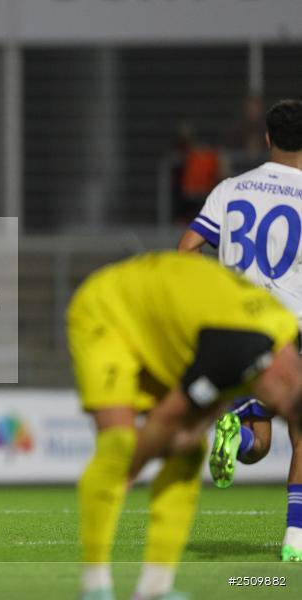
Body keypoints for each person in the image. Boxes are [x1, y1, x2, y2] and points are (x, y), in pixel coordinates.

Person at [70, 252, 302, 600]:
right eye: (281, 409)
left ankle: (154, 589)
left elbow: (214, 398)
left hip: (164, 327)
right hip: (108, 308)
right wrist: (130, 469)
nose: (274, 412)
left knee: (189, 454)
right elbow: (167, 419)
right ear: (285, 379)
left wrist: (191, 432)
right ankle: (94, 587)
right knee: (118, 447)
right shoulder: (236, 350)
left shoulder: (285, 336)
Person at [178, 98, 302, 562]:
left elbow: (187, 249)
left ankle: (238, 435)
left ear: (267, 139)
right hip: (289, 326)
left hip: (233, 328)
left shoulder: (231, 188)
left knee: (259, 440)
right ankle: (295, 540)